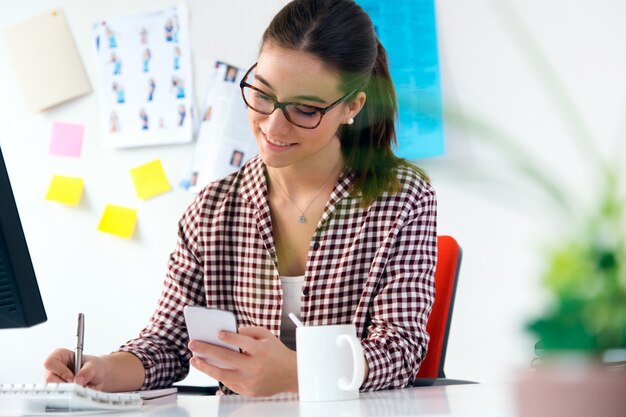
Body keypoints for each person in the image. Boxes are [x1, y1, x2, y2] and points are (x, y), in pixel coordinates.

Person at [43, 0, 436, 397]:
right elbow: (166, 344)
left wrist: (299, 373)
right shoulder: (212, 210)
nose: (273, 125)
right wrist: (102, 371)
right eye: (262, 95)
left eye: (304, 109)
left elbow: (398, 350)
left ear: (352, 106)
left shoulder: (403, 197)